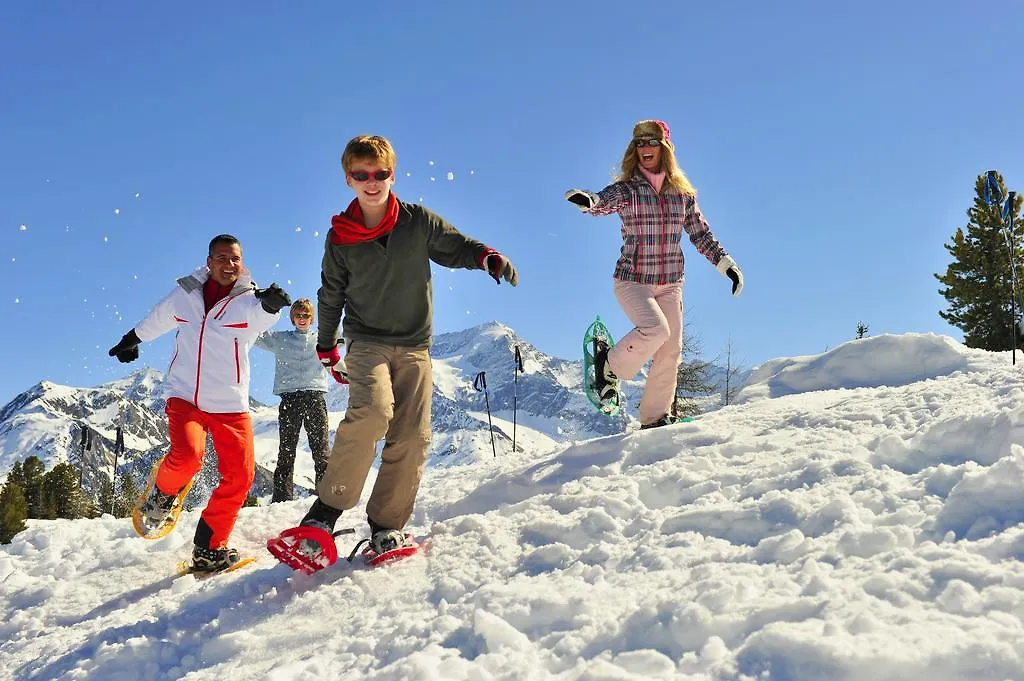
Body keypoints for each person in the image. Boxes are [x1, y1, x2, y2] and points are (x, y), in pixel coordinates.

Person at [294, 134, 518, 557]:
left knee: (413, 435)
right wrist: (327, 346)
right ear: (349, 179)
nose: (372, 182)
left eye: (380, 174)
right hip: (366, 342)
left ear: (392, 175)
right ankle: (325, 513)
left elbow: (455, 246)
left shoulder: (416, 222)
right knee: (374, 413)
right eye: (362, 175)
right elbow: (331, 293)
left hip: (415, 345)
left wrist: (486, 256)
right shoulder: (340, 236)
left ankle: (385, 524)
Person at [107, 234, 291, 573]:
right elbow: (159, 316)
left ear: (242, 262)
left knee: (240, 475)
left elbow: (261, 318)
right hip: (185, 395)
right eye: (222, 258)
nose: (229, 264)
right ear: (209, 262)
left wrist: (272, 305)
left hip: (229, 402)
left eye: (235, 258)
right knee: (188, 456)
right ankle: (162, 494)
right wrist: (131, 340)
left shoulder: (249, 300)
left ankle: (209, 547)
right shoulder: (187, 293)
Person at [565, 119, 743, 429]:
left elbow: (701, 234)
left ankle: (654, 419)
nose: (645, 148)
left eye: (651, 142)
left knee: (670, 349)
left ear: (665, 148)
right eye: (640, 143)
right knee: (655, 329)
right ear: (634, 150)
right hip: (633, 280)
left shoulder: (682, 194)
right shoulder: (628, 190)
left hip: (670, 284)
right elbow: (605, 201)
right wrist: (590, 202)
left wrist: (726, 265)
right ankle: (606, 364)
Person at [254, 298, 344, 503]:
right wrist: (262, 306)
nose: (302, 319)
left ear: (312, 319)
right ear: (292, 318)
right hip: (290, 398)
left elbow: (347, 335)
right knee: (287, 450)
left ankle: (326, 496)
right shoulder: (280, 339)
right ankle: (281, 499)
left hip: (314, 396)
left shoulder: (322, 338)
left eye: (306, 316)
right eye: (298, 315)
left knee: (321, 450)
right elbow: (254, 335)